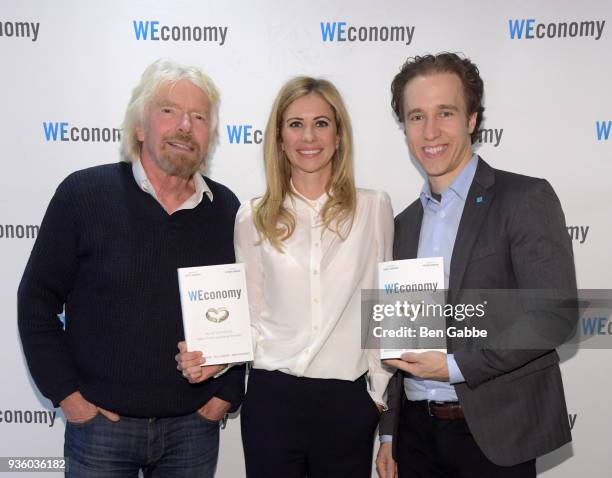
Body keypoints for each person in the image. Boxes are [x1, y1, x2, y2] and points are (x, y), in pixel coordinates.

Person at [17, 58, 245, 477]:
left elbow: (245, 309)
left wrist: (223, 397)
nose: (184, 125)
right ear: (140, 128)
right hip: (101, 431)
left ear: (209, 135)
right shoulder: (83, 195)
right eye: (168, 111)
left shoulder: (227, 209)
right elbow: (36, 300)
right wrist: (69, 397)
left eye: (198, 117)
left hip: (193, 431)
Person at [179, 76, 394, 477]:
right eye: (295, 124)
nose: (308, 136)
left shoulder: (373, 209)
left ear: (339, 135)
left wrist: (377, 398)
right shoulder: (253, 216)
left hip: (347, 403)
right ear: (279, 138)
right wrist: (216, 358)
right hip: (272, 401)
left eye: (321, 123)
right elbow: (252, 317)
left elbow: (381, 311)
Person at [375, 53, 577, 478]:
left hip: (493, 436)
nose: (430, 132)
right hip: (414, 438)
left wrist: (454, 366)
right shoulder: (401, 224)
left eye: (445, 113)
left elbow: (554, 315)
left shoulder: (523, 199)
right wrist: (390, 433)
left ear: (471, 119)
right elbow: (397, 336)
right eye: (416, 116)